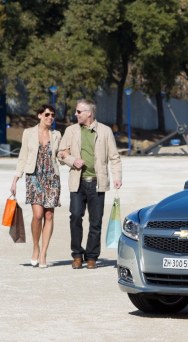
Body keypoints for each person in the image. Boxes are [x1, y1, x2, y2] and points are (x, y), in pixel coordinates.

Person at [58, 98, 122, 269]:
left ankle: (92, 256)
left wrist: (117, 177)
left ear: (89, 113)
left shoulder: (105, 131)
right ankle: (77, 255)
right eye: (76, 111)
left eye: (79, 111)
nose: (76, 114)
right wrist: (72, 160)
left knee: (96, 221)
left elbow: (114, 157)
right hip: (77, 183)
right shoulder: (71, 130)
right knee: (76, 217)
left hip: (97, 183)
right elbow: (60, 153)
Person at [10, 104, 61, 268]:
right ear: (39, 116)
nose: (50, 118)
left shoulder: (57, 135)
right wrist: (15, 179)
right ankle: (35, 247)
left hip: (52, 177)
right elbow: (22, 156)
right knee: (38, 215)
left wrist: (74, 161)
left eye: (52, 115)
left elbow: (61, 154)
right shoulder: (29, 133)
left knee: (49, 216)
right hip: (34, 177)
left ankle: (44, 253)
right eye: (47, 115)